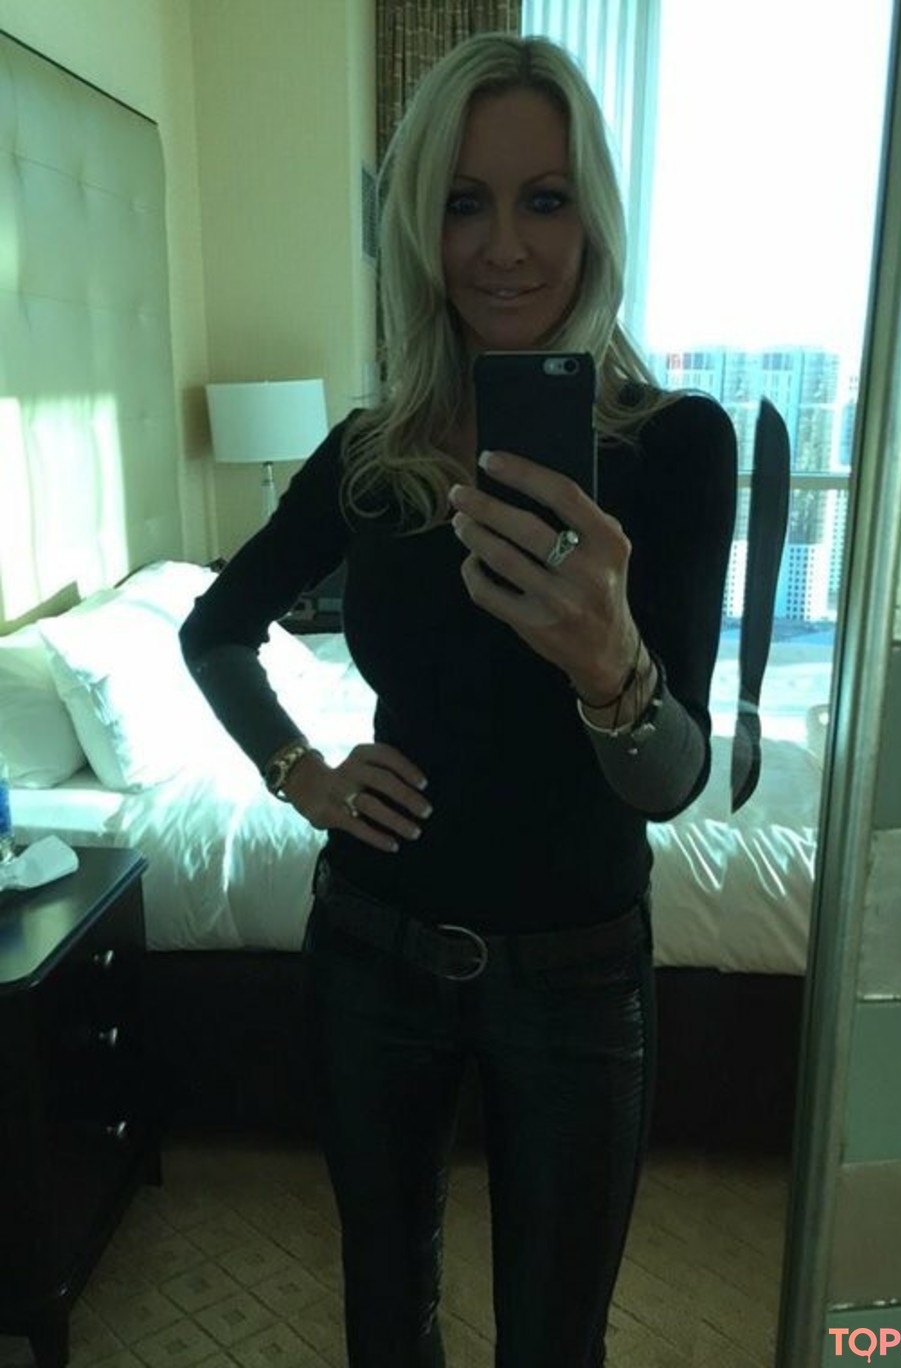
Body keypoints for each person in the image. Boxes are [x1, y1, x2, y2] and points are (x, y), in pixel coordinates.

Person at [181, 32, 736, 1368]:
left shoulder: (675, 448)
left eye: (544, 199)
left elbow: (672, 782)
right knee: (386, 1320)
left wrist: (610, 664)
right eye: (462, 202)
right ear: (419, 229)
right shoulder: (371, 457)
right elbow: (216, 629)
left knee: (556, 1342)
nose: (503, 248)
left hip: (580, 974)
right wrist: (299, 771)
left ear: (594, 219)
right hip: (373, 954)